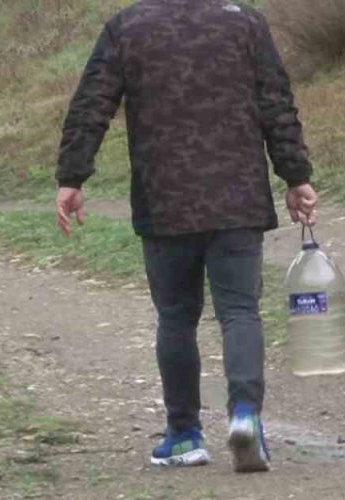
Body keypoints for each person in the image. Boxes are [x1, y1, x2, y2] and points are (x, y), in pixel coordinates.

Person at [56, 0, 318, 472]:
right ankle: (245, 417)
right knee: (239, 311)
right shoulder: (244, 22)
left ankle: (183, 435)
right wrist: (296, 175)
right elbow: (276, 103)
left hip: (164, 199)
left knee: (176, 317)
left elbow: (92, 103)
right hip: (237, 198)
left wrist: (73, 178)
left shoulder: (127, 27)